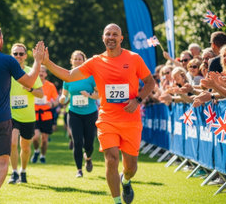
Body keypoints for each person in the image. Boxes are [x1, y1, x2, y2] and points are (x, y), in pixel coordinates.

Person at [42, 23, 155, 204]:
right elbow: (70, 75)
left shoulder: (134, 58)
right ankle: (117, 201)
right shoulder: (95, 61)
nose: (111, 37)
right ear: (103, 38)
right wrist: (47, 63)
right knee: (111, 159)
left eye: (114, 34)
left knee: (131, 167)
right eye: (107, 34)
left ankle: (125, 180)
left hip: (130, 120)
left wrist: (138, 100)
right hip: (107, 119)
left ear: (121, 38)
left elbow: (150, 82)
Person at [0, 25, 44, 204]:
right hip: (1, 118)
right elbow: (29, 80)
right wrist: (37, 61)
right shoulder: (8, 60)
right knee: (3, 160)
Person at [59, 50, 99, 178]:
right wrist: (62, 99)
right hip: (74, 113)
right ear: (71, 61)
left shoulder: (91, 77)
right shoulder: (68, 77)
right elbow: (64, 95)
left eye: (80, 59)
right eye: (75, 59)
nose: (77, 61)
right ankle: (79, 170)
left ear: (84, 61)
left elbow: (99, 94)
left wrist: (90, 95)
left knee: (89, 142)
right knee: (77, 142)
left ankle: (88, 157)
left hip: (90, 113)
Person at [7, 43, 44, 184]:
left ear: (25, 56)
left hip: (28, 117)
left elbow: (41, 94)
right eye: (15, 53)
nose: (18, 56)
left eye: (21, 54)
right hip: (11, 115)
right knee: (12, 143)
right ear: (11, 55)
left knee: (26, 147)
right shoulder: (7, 72)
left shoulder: (31, 72)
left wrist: (29, 89)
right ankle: (14, 172)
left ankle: (23, 170)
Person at [31, 65, 59, 164]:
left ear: (46, 74)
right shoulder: (32, 84)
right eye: (38, 71)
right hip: (34, 114)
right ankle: (36, 151)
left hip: (46, 115)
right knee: (35, 137)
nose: (41, 73)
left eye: (43, 71)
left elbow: (56, 100)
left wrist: (52, 104)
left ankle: (42, 155)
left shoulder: (50, 86)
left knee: (44, 139)